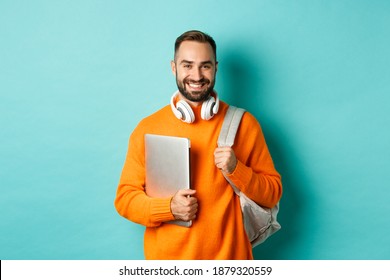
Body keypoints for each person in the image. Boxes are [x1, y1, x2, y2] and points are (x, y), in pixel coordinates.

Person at [114, 30, 282, 260]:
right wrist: (169, 208)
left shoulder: (244, 124)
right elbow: (125, 199)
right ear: (174, 68)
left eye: (205, 66)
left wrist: (236, 169)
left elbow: (272, 193)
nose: (196, 75)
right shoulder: (147, 128)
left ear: (216, 67)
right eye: (187, 65)